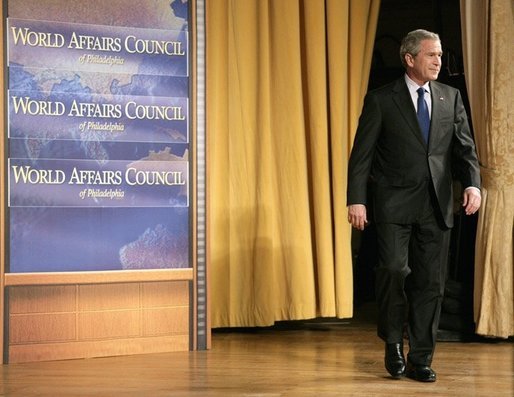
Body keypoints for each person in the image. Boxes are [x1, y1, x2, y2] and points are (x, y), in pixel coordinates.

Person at [347, 29, 481, 382]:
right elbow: (361, 156)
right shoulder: (381, 100)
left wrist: (472, 184)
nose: (439, 61)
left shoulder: (451, 97)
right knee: (392, 270)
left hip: (436, 205)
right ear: (409, 59)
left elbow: (464, 148)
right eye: (431, 55)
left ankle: (421, 357)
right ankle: (393, 342)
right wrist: (357, 199)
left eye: (440, 55)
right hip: (393, 203)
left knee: (431, 285)